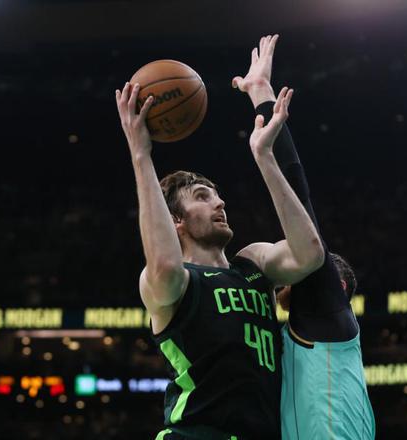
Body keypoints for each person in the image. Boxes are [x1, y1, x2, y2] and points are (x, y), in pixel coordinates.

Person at [114, 76, 324, 438]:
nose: (220, 203)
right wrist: (141, 154)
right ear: (176, 220)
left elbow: (310, 254)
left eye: (217, 196)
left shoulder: (253, 263)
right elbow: (164, 264)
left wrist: (266, 158)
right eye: (202, 196)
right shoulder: (175, 283)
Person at [232, 34, 376, 439]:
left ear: (336, 285)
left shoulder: (326, 315)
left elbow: (300, 196)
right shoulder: (303, 334)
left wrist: (261, 95)